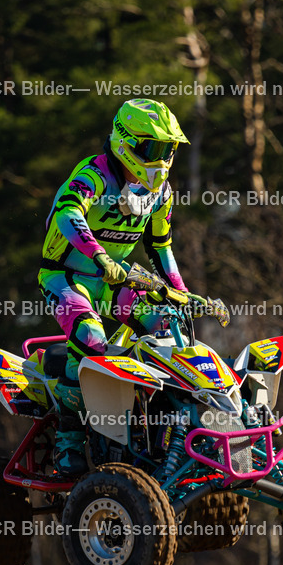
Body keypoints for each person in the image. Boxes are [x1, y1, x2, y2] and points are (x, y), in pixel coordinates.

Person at [38, 98, 189, 475]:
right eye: (152, 148)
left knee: (167, 325)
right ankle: (68, 440)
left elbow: (161, 246)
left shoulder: (161, 194)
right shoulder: (94, 175)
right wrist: (101, 258)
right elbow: (68, 212)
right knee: (89, 339)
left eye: (167, 150)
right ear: (126, 143)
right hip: (67, 277)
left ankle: (158, 431)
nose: (161, 159)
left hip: (117, 278)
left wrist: (180, 292)